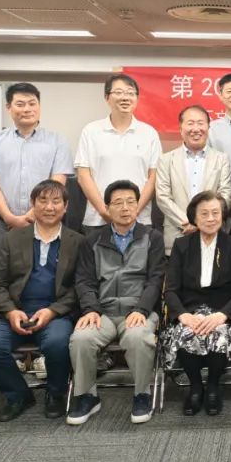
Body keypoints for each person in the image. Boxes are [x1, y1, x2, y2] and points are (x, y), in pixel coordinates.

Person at [0, 179, 81, 423]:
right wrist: (11, 311)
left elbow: (80, 288)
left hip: (56, 314)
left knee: (57, 343)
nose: (49, 207)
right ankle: (17, 395)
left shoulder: (78, 242)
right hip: (14, 312)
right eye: (42, 200)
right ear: (33, 204)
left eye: (56, 201)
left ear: (65, 207)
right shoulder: (11, 239)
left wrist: (52, 311)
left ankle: (55, 393)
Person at [67, 180, 166, 426]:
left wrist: (142, 309)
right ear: (107, 208)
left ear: (138, 206)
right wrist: (91, 309)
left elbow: (156, 279)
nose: (125, 208)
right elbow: (84, 281)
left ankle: (142, 394)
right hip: (103, 311)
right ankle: (87, 396)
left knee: (138, 337)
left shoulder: (152, 237)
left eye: (131, 202)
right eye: (118, 203)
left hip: (139, 310)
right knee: (81, 338)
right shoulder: (92, 240)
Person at [164, 191, 231, 416]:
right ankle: (195, 387)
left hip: (223, 311)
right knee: (184, 333)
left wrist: (222, 315)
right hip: (189, 310)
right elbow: (170, 289)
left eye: (215, 213)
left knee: (219, 334)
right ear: (194, 217)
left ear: (222, 216)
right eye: (204, 214)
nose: (211, 218)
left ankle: (213, 386)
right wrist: (183, 315)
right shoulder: (181, 245)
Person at [0, 82, 73, 258]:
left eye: (32, 103)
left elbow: (57, 184)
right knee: (3, 271)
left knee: (43, 270)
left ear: (39, 106)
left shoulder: (58, 141)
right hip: (3, 224)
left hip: (45, 223)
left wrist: (31, 216)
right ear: (9, 107)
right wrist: (9, 217)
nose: (27, 109)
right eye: (20, 104)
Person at [74, 74, 162, 233]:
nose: (125, 97)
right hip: (98, 219)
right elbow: (83, 175)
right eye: (119, 92)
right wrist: (104, 211)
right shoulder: (91, 131)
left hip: (139, 219)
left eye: (130, 93)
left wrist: (134, 211)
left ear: (137, 98)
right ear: (107, 97)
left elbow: (153, 177)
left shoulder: (149, 133)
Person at [155, 105, 231, 255]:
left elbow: (225, 195)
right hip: (178, 233)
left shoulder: (221, 159)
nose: (196, 129)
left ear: (208, 127)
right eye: (190, 123)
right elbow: (162, 197)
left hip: (213, 233)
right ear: (181, 128)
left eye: (200, 123)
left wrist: (204, 221)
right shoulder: (166, 160)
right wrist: (187, 222)